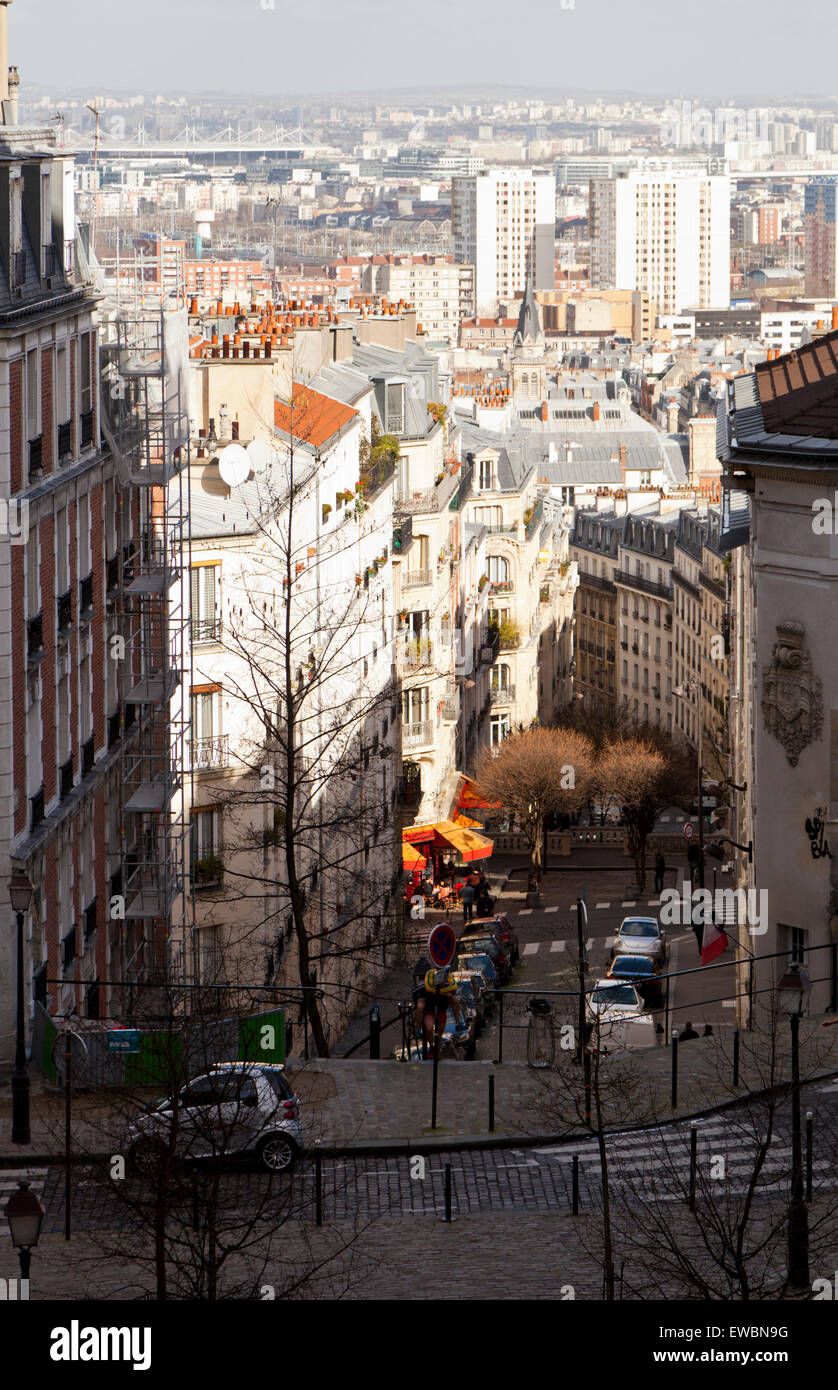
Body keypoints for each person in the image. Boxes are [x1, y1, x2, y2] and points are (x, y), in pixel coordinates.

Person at [413, 968, 462, 1058]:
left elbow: (453, 999)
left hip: (441, 1010)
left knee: (439, 1036)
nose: (443, 983)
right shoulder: (427, 988)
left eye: (444, 981)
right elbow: (420, 1003)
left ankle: (437, 1052)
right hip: (430, 1011)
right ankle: (430, 1044)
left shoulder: (447, 987)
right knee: (429, 1028)